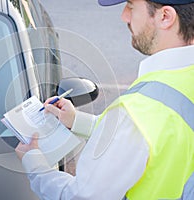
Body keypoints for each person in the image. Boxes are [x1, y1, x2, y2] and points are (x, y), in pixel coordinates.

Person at [15, 0, 194, 199]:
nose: (124, 16)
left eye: (132, 6)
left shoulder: (137, 112)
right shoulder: (179, 83)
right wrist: (77, 121)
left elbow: (82, 196)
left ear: (165, 17)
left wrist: (36, 166)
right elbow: (156, 137)